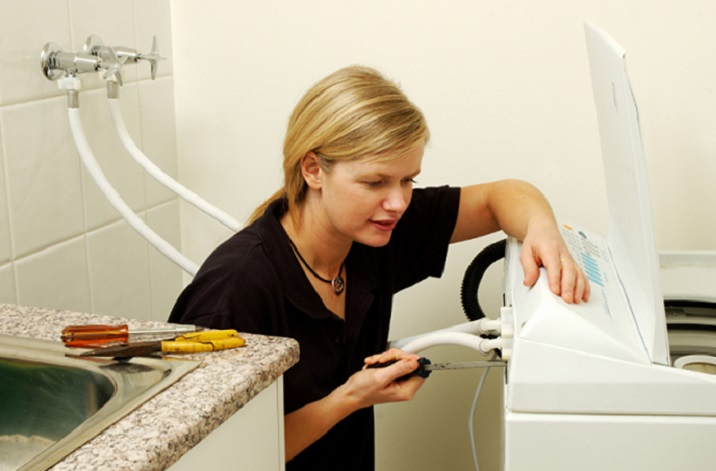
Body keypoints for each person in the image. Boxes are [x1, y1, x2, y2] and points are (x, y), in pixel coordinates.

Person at [169, 65, 589, 470]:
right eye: (375, 182)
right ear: (313, 170)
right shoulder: (236, 290)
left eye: (408, 180)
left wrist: (543, 230)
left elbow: (502, 196)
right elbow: (205, 456)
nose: (398, 202)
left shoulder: (373, 231)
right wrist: (350, 398)